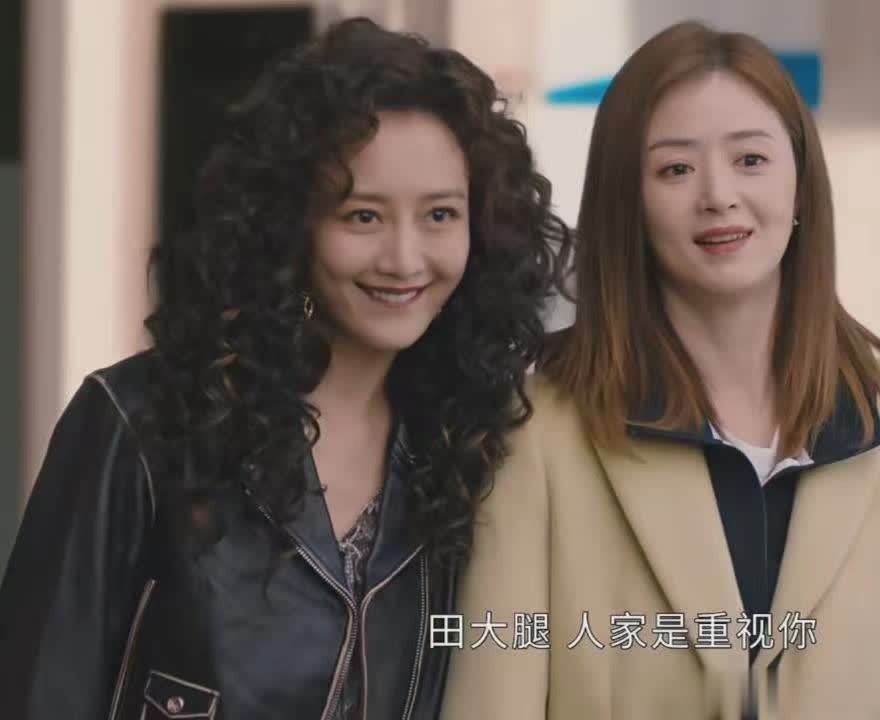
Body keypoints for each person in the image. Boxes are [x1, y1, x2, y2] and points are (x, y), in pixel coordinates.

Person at [0, 17, 571, 720]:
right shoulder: (143, 423)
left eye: (440, 216)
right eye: (363, 217)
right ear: (289, 226)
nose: (404, 259)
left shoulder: (467, 443)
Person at [440, 20, 880, 720]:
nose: (719, 195)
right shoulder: (538, 433)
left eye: (751, 159)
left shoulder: (869, 413)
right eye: (676, 169)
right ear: (628, 203)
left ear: (801, 186)